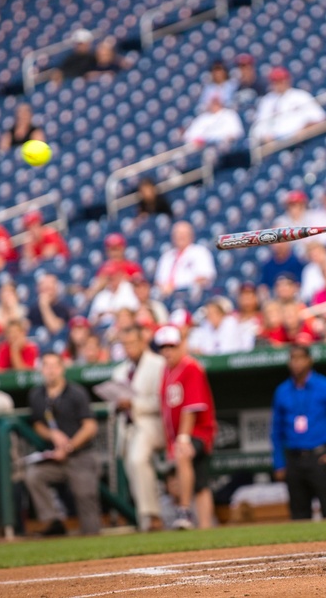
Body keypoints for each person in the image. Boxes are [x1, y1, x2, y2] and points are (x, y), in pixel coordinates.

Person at [271, 344, 326, 520]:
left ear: (309, 360)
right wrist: (279, 463)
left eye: (300, 358)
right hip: (293, 459)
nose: (296, 363)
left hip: (320, 458)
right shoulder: (282, 391)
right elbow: (276, 431)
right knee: (298, 514)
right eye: (293, 358)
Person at [26, 352, 101, 536]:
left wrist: (68, 447)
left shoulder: (76, 392)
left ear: (62, 368)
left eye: (54, 366)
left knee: (85, 495)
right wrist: (52, 434)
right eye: (47, 366)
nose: (51, 370)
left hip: (80, 456)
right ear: (41, 369)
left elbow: (90, 426)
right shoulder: (37, 394)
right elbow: (37, 424)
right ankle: (53, 523)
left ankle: (93, 538)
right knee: (34, 476)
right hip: (56, 459)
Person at [155, 326, 217, 530]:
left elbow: (191, 407)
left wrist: (182, 438)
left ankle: (184, 510)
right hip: (181, 434)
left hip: (198, 431)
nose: (167, 351)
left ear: (181, 345)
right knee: (201, 482)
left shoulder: (191, 367)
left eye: (171, 346)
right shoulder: (166, 370)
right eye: (163, 347)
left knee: (183, 455)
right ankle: (206, 528)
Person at [112, 325, 166, 532]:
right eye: (125, 344)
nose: (128, 348)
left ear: (143, 342)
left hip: (152, 423)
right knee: (132, 468)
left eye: (132, 343)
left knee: (137, 459)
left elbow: (161, 402)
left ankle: (153, 516)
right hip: (128, 427)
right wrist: (118, 403)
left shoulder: (158, 364)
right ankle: (145, 519)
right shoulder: (120, 370)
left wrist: (133, 404)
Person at [249, 67, 326, 144]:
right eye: (275, 81)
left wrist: (306, 130)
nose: (279, 84)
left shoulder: (300, 95)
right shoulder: (267, 101)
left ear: (287, 80)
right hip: (276, 144)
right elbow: (258, 128)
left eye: (281, 80)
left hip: (302, 141)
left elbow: (320, 118)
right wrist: (265, 137)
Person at [155, 221, 217, 297]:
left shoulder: (200, 252)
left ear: (191, 236)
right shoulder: (166, 256)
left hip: (192, 296)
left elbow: (204, 277)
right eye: (177, 234)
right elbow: (158, 281)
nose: (180, 237)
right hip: (166, 296)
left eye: (184, 234)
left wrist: (175, 287)